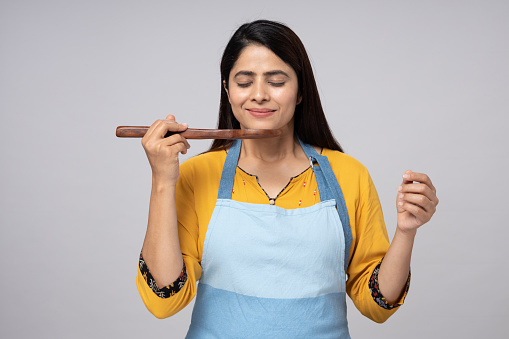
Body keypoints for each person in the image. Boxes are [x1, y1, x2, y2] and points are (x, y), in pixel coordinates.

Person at [136, 20, 439, 338]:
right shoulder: (198, 175)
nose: (259, 95)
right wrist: (162, 180)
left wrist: (405, 231)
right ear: (227, 90)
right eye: (244, 82)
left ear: (300, 92)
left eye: (276, 81)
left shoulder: (349, 175)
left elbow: (376, 306)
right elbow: (164, 302)